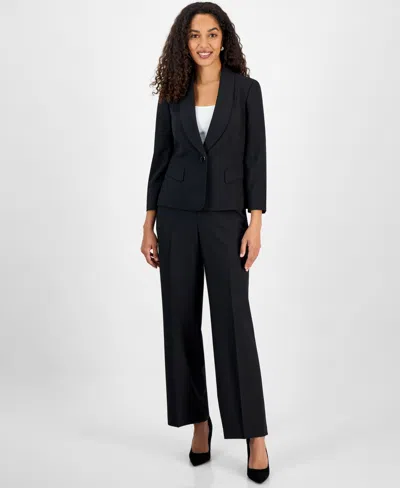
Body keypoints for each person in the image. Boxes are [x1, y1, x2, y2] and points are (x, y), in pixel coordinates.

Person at [141, 2, 270, 483]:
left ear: (224, 39)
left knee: (234, 324)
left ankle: (254, 434)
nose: (204, 43)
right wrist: (149, 224)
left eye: (212, 34)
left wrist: (255, 223)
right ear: (184, 41)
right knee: (180, 322)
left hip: (224, 220)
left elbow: (255, 158)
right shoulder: (173, 92)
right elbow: (160, 157)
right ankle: (199, 422)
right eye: (194, 35)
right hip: (175, 218)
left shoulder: (246, 90)